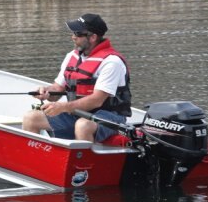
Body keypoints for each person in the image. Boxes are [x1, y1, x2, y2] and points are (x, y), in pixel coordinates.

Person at [22, 13, 132, 142]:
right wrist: (46, 92)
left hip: (110, 116)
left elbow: (96, 100)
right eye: (73, 33)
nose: (73, 37)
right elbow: (58, 88)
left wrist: (63, 107)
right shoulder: (71, 56)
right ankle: (33, 153)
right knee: (31, 118)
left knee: (83, 125)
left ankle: (84, 156)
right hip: (76, 112)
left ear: (93, 37)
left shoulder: (112, 62)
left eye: (78, 33)